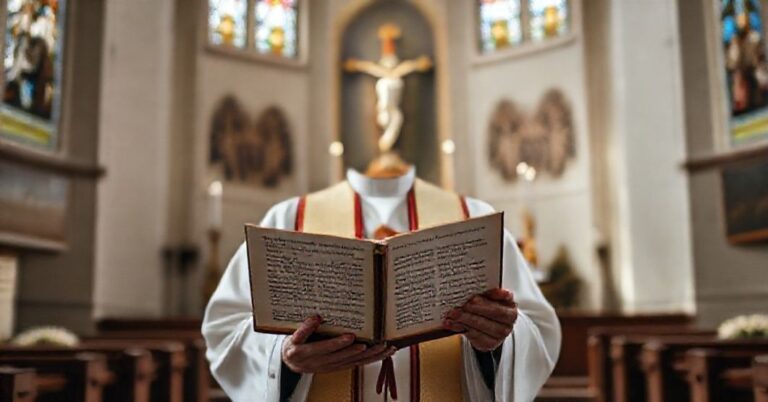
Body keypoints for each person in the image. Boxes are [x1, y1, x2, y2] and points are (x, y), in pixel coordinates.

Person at [202, 168, 561, 401]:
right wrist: (282, 356)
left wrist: (497, 343)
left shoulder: (476, 218)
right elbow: (224, 330)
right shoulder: (289, 219)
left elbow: (537, 329)